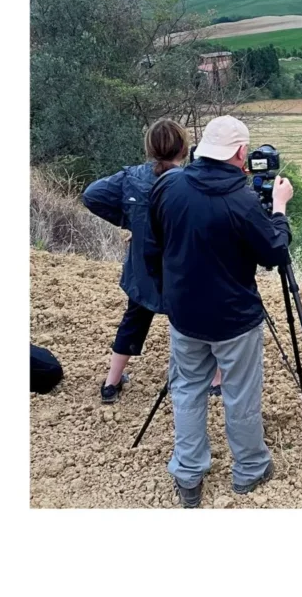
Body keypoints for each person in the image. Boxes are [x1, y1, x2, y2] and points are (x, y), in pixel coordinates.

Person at [145, 115, 293, 508]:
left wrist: (168, 292)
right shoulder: (243, 201)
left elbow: (154, 243)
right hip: (233, 318)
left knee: (188, 391)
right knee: (239, 395)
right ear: (241, 153)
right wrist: (278, 209)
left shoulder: (170, 184)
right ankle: (249, 468)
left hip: (184, 313)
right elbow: (275, 253)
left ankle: (189, 474)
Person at [82, 119, 223, 404]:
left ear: (150, 148)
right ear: (183, 149)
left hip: (144, 272)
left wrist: (132, 222)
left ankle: (111, 384)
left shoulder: (130, 177)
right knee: (208, 318)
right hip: (183, 271)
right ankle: (216, 380)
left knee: (134, 319)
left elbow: (91, 195)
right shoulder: (190, 181)